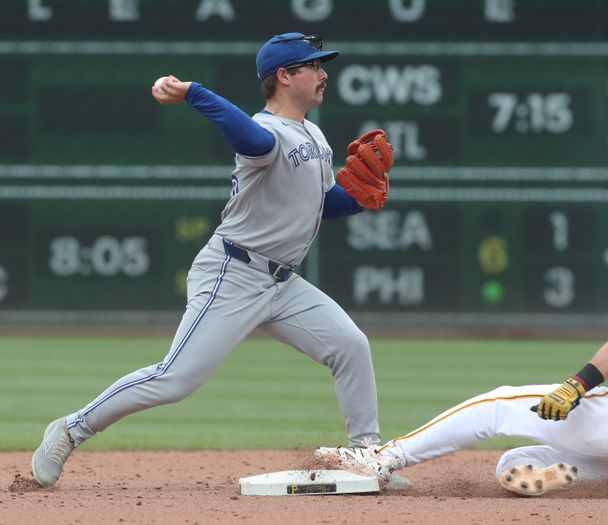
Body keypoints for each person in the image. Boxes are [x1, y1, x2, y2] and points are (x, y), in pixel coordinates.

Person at [31, 32, 393, 487]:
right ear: (284, 76)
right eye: (313, 66)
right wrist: (193, 93)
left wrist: (359, 199)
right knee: (175, 379)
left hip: (282, 283)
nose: (324, 74)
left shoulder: (313, 133)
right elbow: (248, 135)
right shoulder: (266, 135)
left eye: (322, 66)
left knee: (351, 346)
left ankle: (366, 456)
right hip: (233, 274)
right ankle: (68, 430)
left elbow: (323, 203)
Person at [316, 260, 608, 496]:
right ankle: (563, 475)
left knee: (500, 403)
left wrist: (578, 384)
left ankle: (380, 458)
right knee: (515, 463)